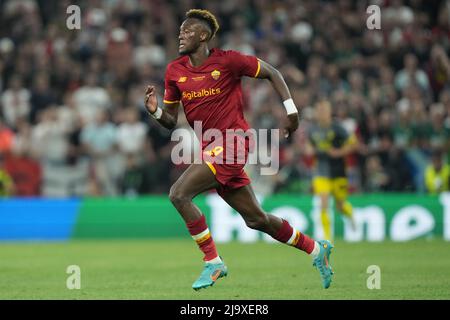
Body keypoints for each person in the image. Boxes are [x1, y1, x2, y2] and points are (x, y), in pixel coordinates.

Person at [144, 9, 333, 291]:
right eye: (180, 30)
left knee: (179, 194)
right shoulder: (175, 71)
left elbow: (272, 72)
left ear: (204, 35)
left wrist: (291, 111)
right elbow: (170, 122)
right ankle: (317, 249)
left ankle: (213, 262)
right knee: (256, 219)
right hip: (211, 148)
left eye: (188, 30)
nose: (180, 34)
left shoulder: (229, 61)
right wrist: (156, 110)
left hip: (234, 143)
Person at [305, 100, 357, 241]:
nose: (321, 113)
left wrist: (339, 152)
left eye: (324, 110)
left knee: (340, 205)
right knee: (323, 203)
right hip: (321, 172)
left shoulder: (338, 128)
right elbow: (308, 146)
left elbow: (353, 144)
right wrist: (308, 149)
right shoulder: (313, 129)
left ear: (329, 112)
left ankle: (350, 214)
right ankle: (328, 239)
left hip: (338, 171)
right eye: (319, 111)